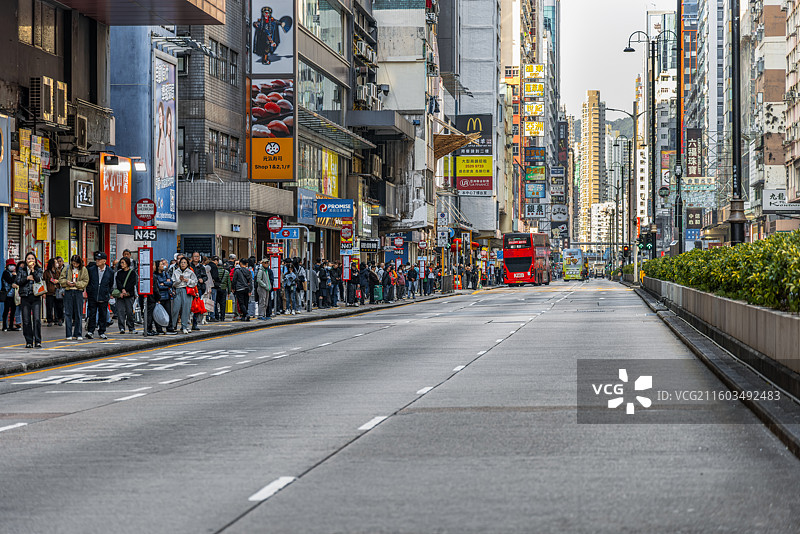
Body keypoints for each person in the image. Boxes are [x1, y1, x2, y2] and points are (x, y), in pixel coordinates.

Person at [13, 252, 43, 348]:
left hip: (36, 297)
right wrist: (27, 278)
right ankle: (29, 341)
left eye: (32, 259)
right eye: (29, 259)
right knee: (26, 321)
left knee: (37, 319)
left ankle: (38, 341)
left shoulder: (38, 269)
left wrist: (33, 271)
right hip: (25, 297)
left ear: (35, 260)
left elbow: (39, 279)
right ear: (26, 260)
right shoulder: (21, 270)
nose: (31, 261)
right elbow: (17, 281)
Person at [59, 254, 88, 340]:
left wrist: (77, 284)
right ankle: (68, 334)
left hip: (78, 291)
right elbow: (61, 279)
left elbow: (85, 281)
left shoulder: (84, 270)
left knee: (78, 313)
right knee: (68, 313)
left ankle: (78, 333)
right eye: (73, 263)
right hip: (68, 291)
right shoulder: (67, 268)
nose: (74, 265)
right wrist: (66, 282)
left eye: (76, 263)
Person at [86, 252, 114, 340]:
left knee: (103, 314)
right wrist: (89, 291)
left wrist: (107, 292)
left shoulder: (110, 271)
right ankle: (90, 331)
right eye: (96, 259)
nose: (97, 261)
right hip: (93, 295)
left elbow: (110, 284)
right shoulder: (91, 269)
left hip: (103, 296)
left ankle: (102, 331)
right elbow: (89, 282)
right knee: (92, 314)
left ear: (104, 261)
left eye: (99, 260)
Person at [170, 256, 197, 334]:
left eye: (185, 262)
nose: (183, 264)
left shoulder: (190, 272)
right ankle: (173, 325)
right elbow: (173, 283)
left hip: (187, 290)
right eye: (181, 262)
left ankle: (184, 326)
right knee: (176, 309)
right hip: (178, 290)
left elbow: (195, 282)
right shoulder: (176, 272)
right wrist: (179, 280)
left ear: (187, 264)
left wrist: (187, 280)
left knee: (186, 309)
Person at [114, 257, 138, 335]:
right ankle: (121, 327)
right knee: (120, 312)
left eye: (123, 262)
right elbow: (118, 282)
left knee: (129, 312)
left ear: (127, 263)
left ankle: (131, 327)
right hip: (121, 295)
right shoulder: (119, 273)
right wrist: (122, 289)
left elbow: (132, 283)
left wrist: (125, 290)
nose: (121, 264)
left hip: (129, 295)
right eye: (121, 263)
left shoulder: (132, 273)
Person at [154, 259, 173, 334]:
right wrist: (166, 284)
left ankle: (169, 328)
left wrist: (164, 284)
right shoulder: (155, 275)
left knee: (168, 313)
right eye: (162, 264)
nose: (163, 266)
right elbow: (158, 286)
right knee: (159, 314)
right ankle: (159, 329)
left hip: (167, 296)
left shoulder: (165, 273)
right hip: (159, 297)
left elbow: (171, 283)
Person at [44, 258, 63, 327]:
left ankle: (59, 319)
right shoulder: (46, 272)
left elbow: (62, 280)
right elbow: (44, 282)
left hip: (57, 291)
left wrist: (58, 281)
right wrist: (44, 292)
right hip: (49, 292)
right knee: (49, 307)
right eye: (56, 262)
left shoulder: (58, 272)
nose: (57, 263)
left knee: (59, 306)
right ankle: (49, 320)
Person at [2, 259, 20, 331]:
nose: (13, 267)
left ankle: (11, 325)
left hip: (13, 295)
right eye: (11, 265)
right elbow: (10, 281)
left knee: (13, 310)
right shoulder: (5, 273)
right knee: (6, 310)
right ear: (7, 266)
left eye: (13, 265)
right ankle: (4, 326)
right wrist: (14, 276)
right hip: (7, 294)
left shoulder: (14, 273)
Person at [214, 256, 230, 322]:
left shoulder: (215, 271)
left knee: (215, 303)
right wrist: (229, 291)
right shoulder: (226, 272)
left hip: (216, 288)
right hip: (223, 289)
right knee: (223, 304)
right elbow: (229, 282)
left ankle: (216, 316)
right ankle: (222, 317)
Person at [206, 256, 220, 322]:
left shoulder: (207, 266)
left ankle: (206, 316)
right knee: (213, 302)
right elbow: (216, 276)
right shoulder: (214, 266)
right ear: (216, 261)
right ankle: (212, 316)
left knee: (207, 301)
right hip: (213, 286)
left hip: (206, 286)